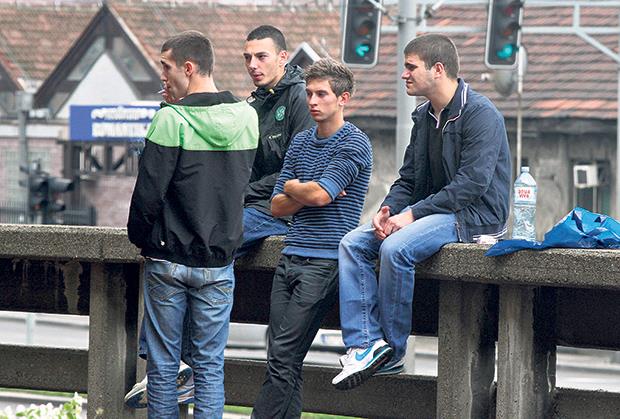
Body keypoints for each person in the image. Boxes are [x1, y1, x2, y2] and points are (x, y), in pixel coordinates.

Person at [124, 25, 313, 408]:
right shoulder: (248, 108)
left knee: (164, 364)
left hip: (258, 214)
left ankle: (172, 365)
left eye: (261, 56)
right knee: (210, 367)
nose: (253, 65)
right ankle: (183, 367)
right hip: (227, 240)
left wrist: (242, 190)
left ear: (283, 57)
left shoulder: (296, 99)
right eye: (247, 57)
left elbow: (294, 171)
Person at [332, 33, 511, 391]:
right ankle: (366, 345)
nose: (404, 74)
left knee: (395, 249)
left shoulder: (481, 114)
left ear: (438, 69)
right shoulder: (424, 116)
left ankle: (393, 352)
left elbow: (470, 185)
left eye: (411, 67)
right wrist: (387, 211)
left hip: (474, 216)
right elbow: (409, 178)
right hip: (431, 212)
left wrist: (411, 215)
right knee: (353, 243)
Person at [126, 30, 258, 417]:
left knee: (164, 368)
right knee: (210, 369)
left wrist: (141, 239)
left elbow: (148, 195)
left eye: (165, 67)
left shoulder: (171, 119)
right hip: (218, 261)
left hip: (168, 259)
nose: (162, 76)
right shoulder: (247, 116)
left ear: (188, 67)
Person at [252, 58, 372, 418]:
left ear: (343, 98)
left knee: (283, 356)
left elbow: (320, 196)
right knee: (282, 359)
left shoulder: (354, 143)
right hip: (289, 256)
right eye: (309, 94)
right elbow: (276, 206)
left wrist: (299, 189)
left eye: (321, 94)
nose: (312, 101)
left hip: (324, 262)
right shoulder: (301, 141)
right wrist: (302, 189)